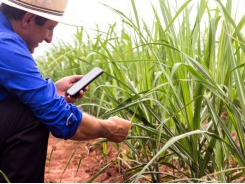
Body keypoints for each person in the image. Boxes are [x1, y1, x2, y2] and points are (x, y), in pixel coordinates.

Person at [0, 0, 132, 182]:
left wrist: (52, 91)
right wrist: (108, 129)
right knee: (32, 113)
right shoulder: (6, 44)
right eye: (49, 28)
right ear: (28, 18)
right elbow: (59, 117)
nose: (49, 38)